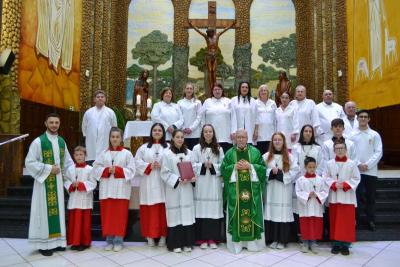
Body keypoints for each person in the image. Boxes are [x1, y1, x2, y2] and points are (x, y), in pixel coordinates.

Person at [25, 113, 74, 256]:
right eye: (51, 122)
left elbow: (68, 162)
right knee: (44, 212)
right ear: (45, 123)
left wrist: (74, 176)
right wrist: (49, 168)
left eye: (56, 122)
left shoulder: (61, 141)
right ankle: (44, 244)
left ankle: (58, 242)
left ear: (59, 124)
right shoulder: (38, 142)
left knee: (58, 212)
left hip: (57, 183)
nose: (54, 125)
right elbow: (29, 162)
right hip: (43, 185)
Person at [220, 129, 266, 254]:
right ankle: (237, 244)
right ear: (235, 139)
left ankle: (252, 244)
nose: (240, 139)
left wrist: (250, 166)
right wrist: (234, 167)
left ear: (247, 138)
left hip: (252, 193)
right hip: (235, 193)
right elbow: (223, 169)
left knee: (251, 215)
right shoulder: (230, 153)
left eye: (243, 137)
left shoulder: (255, 152)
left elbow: (263, 169)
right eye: (238, 137)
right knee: (236, 216)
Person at [92, 127, 136, 252]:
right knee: (108, 216)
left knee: (119, 216)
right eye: (113, 137)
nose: (115, 139)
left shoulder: (127, 154)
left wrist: (117, 170)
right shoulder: (103, 153)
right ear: (109, 138)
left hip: (121, 190)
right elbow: (95, 169)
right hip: (107, 190)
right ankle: (109, 240)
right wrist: (106, 170)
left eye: (117, 136)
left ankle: (118, 241)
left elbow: (132, 171)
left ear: (121, 138)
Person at [160, 130, 196, 253]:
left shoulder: (189, 153)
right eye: (177, 137)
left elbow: (194, 168)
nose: (180, 139)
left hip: (186, 189)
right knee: (175, 216)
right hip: (174, 189)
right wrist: (177, 179)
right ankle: (175, 244)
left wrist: (193, 177)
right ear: (173, 139)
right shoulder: (167, 154)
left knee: (186, 215)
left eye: (182, 137)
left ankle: (187, 243)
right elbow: (164, 172)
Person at [324, 140, 360, 256]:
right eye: (337, 148)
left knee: (347, 222)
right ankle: (336, 244)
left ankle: (345, 245)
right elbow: (325, 177)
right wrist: (334, 184)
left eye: (342, 148)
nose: (340, 150)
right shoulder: (329, 163)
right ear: (334, 150)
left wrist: (344, 185)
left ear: (346, 150)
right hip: (334, 197)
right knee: (334, 221)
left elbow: (356, 178)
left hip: (347, 197)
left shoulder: (352, 164)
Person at [135, 123, 169, 246]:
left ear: (163, 133)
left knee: (163, 209)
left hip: (162, 182)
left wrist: (162, 166)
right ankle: (149, 235)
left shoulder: (168, 147)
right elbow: (137, 162)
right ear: (151, 132)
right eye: (155, 130)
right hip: (148, 182)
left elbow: (173, 162)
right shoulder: (143, 148)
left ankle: (163, 236)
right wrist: (149, 166)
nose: (157, 132)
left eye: (159, 130)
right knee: (149, 208)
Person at [263, 132, 299, 249]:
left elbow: (295, 171)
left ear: (284, 142)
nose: (277, 142)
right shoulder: (266, 156)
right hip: (271, 190)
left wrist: (281, 174)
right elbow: (261, 171)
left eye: (280, 140)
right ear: (272, 142)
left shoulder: (289, 157)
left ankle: (282, 240)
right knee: (272, 213)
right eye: (275, 140)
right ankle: (273, 239)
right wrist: (270, 172)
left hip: (284, 189)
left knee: (282, 214)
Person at [192, 124, 224, 249]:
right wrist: (202, 165)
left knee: (213, 211)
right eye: (206, 131)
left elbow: (223, 166)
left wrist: (213, 167)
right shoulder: (196, 148)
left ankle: (212, 239)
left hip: (214, 184)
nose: (208, 133)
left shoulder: (219, 149)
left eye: (210, 131)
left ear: (213, 133)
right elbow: (192, 165)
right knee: (202, 210)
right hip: (201, 183)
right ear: (202, 133)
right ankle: (201, 239)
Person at [350, 110, 383, 231]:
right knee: (357, 197)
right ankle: (356, 221)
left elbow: (379, 152)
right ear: (357, 119)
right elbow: (350, 152)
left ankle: (371, 220)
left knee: (371, 197)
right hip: (356, 171)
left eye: (365, 117)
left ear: (369, 119)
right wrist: (358, 164)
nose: (363, 119)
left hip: (371, 171)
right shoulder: (352, 135)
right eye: (361, 117)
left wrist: (367, 165)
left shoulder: (374, 135)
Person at [292, 125, 324, 242]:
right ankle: (301, 235)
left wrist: (315, 178)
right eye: (306, 131)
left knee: (313, 211)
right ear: (302, 133)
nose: (308, 133)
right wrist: (302, 179)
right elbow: (294, 165)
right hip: (300, 182)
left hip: (315, 182)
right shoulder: (296, 147)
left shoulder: (318, 148)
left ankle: (313, 236)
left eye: (310, 131)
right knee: (300, 210)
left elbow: (321, 164)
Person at [188, 20, 236, 93]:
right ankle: (211, 87)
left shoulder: (217, 36)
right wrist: (191, 25)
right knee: (210, 71)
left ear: (213, 32)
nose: (209, 33)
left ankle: (215, 85)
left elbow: (225, 29)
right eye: (208, 32)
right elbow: (199, 31)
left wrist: (232, 24)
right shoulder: (207, 38)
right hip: (208, 56)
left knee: (214, 70)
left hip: (215, 56)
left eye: (210, 32)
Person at [64, 146, 96, 251]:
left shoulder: (90, 169)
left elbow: (93, 183)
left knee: (84, 222)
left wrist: (82, 185)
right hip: (74, 199)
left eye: (81, 155)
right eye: (76, 155)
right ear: (73, 156)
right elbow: (66, 180)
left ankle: (85, 242)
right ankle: (75, 242)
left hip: (85, 200)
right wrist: (71, 185)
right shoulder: (70, 169)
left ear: (85, 156)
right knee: (74, 222)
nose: (79, 157)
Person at [295, 157, 328, 254]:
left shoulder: (320, 179)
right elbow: (298, 192)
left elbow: (325, 191)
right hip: (305, 207)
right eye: (309, 167)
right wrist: (307, 195)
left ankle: (314, 243)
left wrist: (317, 195)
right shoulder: (300, 180)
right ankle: (305, 243)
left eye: (314, 167)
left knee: (315, 224)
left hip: (316, 206)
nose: (312, 169)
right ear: (305, 167)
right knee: (305, 223)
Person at [82, 90, 117, 164]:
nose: (100, 98)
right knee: (91, 165)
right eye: (98, 97)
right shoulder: (88, 112)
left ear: (105, 99)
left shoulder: (110, 112)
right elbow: (84, 127)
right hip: (91, 143)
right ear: (94, 99)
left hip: (106, 142)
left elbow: (114, 128)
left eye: (102, 97)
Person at [200, 82, 233, 152]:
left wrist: (233, 132)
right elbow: (202, 118)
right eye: (215, 89)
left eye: (219, 89)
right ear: (212, 91)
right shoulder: (207, 102)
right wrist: (203, 132)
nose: (217, 91)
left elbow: (234, 118)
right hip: (210, 137)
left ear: (222, 90)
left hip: (226, 136)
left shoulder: (228, 101)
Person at [177, 83, 202, 150]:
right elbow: (179, 117)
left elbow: (199, 117)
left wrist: (191, 128)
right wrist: (183, 128)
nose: (189, 90)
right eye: (187, 88)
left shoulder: (198, 102)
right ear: (184, 90)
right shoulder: (179, 102)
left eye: (191, 88)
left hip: (195, 133)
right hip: (183, 133)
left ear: (193, 90)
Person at [254, 84, 276, 154]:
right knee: (260, 154)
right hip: (259, 134)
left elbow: (276, 118)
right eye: (261, 90)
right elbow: (254, 118)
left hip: (271, 134)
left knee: (269, 155)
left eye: (265, 90)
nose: (263, 92)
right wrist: (255, 131)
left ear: (268, 92)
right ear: (259, 92)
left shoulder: (272, 103)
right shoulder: (255, 103)